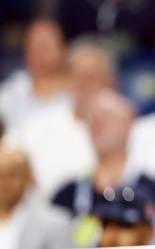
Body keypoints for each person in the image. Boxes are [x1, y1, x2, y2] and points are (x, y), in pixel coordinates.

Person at [52, 90, 155, 247]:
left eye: (107, 116)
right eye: (92, 117)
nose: (98, 123)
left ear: (130, 122)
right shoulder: (67, 194)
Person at [6, 40, 116, 200]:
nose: (82, 84)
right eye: (76, 76)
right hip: (43, 215)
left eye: (91, 77)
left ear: (109, 81)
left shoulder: (125, 128)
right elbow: (9, 159)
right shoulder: (38, 123)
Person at [0, 19, 70, 134]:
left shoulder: (76, 90)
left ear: (62, 49)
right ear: (26, 54)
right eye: (34, 47)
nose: (40, 53)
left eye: (45, 47)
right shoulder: (13, 89)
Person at [0, 143, 74, 249]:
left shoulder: (55, 225)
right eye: (0, 175)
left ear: (27, 177)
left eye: (12, 174)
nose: (4, 182)